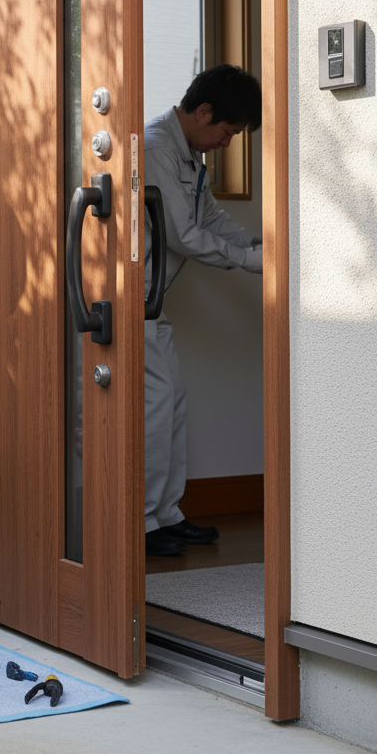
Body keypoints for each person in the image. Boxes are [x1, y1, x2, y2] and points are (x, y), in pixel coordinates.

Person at [143, 64, 263, 556]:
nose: (227, 142)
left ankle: (164, 515)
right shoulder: (153, 148)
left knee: (171, 405)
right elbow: (183, 234)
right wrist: (252, 262)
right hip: (124, 299)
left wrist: (259, 244)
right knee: (156, 406)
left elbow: (208, 215)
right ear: (204, 111)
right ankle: (145, 523)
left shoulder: (188, 154)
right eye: (228, 131)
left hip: (151, 301)